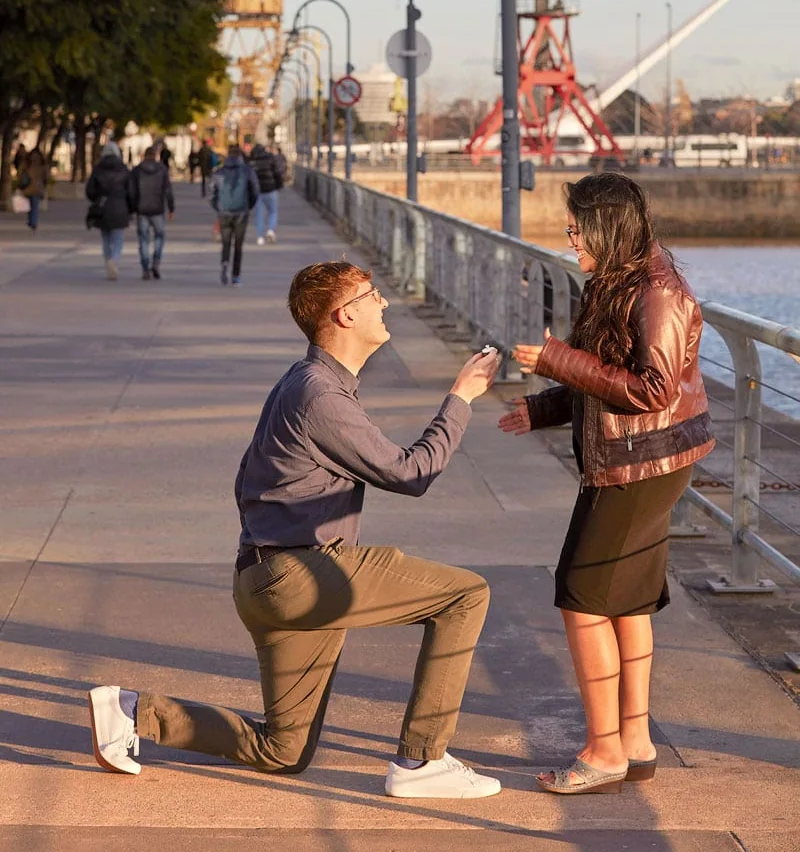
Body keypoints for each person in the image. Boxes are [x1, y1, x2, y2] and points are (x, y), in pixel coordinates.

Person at [87, 260, 502, 798]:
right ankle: (422, 762)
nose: (385, 303)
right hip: (300, 574)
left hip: (265, 579)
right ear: (344, 314)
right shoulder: (320, 396)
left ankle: (133, 713)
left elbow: (246, 479)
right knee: (466, 595)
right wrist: (462, 398)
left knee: (282, 752)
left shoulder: (305, 383)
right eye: (373, 295)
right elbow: (411, 472)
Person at [499, 173, 714, 795]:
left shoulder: (657, 292)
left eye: (576, 228)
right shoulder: (619, 280)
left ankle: (602, 752)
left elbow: (653, 389)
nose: (569, 238)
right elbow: (606, 377)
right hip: (635, 459)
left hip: (640, 466)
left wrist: (555, 359)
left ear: (608, 228)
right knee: (626, 599)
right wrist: (542, 408)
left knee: (582, 597)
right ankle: (635, 740)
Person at [209, 144, 258, 285]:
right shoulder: (247, 171)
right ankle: (236, 275)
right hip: (241, 212)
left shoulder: (219, 172)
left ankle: (224, 263)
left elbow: (211, 193)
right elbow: (255, 190)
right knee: (238, 245)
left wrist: (218, 207)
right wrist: (249, 206)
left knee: (225, 242)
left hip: (224, 212)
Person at [85, 141, 132, 281]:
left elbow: (90, 190)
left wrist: (97, 199)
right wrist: (130, 207)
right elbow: (131, 191)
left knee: (105, 238)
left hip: (103, 207)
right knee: (118, 239)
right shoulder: (123, 169)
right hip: (119, 207)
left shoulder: (98, 169)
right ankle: (115, 260)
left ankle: (108, 261)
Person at [130, 145, 175, 281]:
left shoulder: (137, 170)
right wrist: (171, 208)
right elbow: (168, 190)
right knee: (159, 236)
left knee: (143, 239)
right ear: (155, 155)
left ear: (144, 155)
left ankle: (145, 268)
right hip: (157, 209)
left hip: (142, 209)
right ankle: (156, 261)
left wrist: (132, 208)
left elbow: (132, 192)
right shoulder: (162, 170)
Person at [247, 142, 284, 246]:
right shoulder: (270, 159)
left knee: (259, 214)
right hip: (271, 189)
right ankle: (271, 231)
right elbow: (277, 173)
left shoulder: (252, 162)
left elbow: (250, 179)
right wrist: (279, 185)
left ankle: (260, 238)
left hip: (258, 191)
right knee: (273, 211)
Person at [18, 147, 49, 231]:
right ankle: (33, 222)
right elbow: (46, 177)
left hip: (27, 187)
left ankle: (31, 221)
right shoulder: (42, 163)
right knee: (35, 206)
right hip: (38, 187)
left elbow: (20, 173)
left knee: (30, 206)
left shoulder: (27, 162)